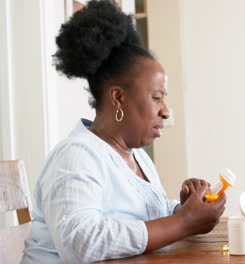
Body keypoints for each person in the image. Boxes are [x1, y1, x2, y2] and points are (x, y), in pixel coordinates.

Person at [21, 1, 226, 263]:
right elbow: (81, 242)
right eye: (156, 97)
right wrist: (184, 222)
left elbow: (145, 217)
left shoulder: (136, 156)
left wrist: (183, 209)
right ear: (118, 97)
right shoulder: (75, 157)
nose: (165, 111)